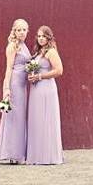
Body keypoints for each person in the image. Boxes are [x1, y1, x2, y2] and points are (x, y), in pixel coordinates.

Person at [0, 19, 31, 164]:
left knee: (21, 117)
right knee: (14, 117)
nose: (22, 32)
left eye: (24, 29)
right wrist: (6, 88)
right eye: (19, 30)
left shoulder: (24, 45)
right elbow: (8, 68)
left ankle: (20, 151)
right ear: (14, 31)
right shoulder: (12, 46)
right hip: (15, 83)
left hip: (23, 85)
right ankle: (12, 153)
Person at [25, 26, 64, 165]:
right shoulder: (38, 52)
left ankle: (49, 155)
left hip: (46, 88)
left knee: (47, 119)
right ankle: (37, 154)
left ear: (49, 37)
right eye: (39, 36)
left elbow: (59, 70)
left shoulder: (51, 52)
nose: (41, 38)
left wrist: (40, 76)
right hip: (36, 90)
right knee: (37, 120)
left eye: (43, 36)